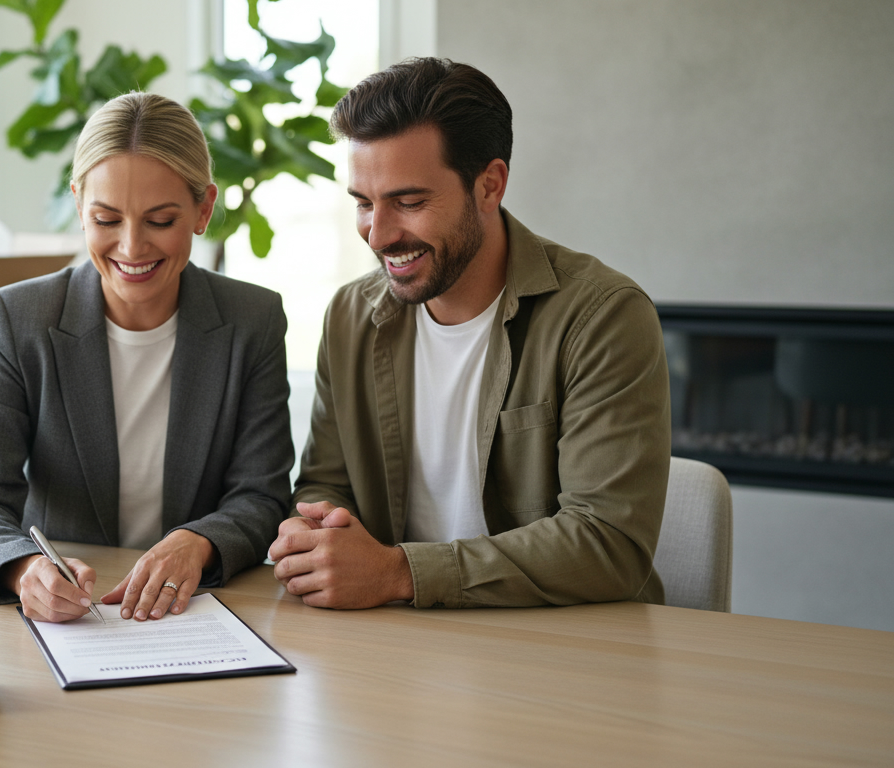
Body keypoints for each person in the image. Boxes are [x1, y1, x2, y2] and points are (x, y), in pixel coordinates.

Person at [269, 58, 671, 610]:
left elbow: (609, 543)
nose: (378, 235)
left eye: (409, 202)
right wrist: (316, 528)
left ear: (490, 185)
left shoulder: (602, 317)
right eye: (363, 203)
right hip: (395, 635)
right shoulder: (350, 316)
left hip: (565, 642)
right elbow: (325, 483)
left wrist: (399, 573)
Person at [0, 92, 293, 623]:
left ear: (203, 209)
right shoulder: (16, 320)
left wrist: (197, 542)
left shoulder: (253, 320)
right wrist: (24, 570)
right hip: (69, 618)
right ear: (78, 205)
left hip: (195, 612)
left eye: (160, 220)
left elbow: (262, 495)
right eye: (106, 219)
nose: (132, 247)